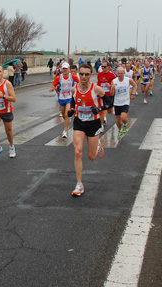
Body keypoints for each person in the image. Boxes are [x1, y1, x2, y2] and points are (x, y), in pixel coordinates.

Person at [68, 63, 112, 196]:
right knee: (78, 152)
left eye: (86, 74)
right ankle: (79, 184)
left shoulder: (96, 89)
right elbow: (74, 101)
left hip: (93, 123)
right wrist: (71, 110)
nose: (83, 76)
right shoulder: (74, 89)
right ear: (78, 74)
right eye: (81, 73)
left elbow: (110, 103)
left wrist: (100, 109)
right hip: (79, 122)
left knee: (91, 157)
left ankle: (97, 146)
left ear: (90, 75)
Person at [49, 62, 80, 138]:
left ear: (68, 69)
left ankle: (65, 131)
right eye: (64, 68)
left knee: (67, 114)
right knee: (63, 114)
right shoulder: (59, 77)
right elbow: (54, 84)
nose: (65, 70)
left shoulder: (72, 77)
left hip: (69, 98)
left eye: (66, 68)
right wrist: (53, 88)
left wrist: (78, 88)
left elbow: (79, 82)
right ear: (62, 69)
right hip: (61, 98)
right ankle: (67, 121)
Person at [110, 66, 138, 138]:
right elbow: (112, 94)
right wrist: (112, 88)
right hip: (117, 102)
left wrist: (133, 93)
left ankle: (125, 124)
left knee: (123, 117)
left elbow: (135, 85)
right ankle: (120, 130)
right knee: (118, 119)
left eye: (121, 73)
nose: (120, 75)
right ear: (116, 73)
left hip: (125, 101)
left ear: (124, 73)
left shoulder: (128, 80)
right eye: (118, 73)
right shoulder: (114, 81)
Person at [96, 60, 116, 132]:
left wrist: (110, 85)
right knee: (102, 108)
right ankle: (101, 125)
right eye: (102, 67)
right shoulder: (99, 74)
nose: (103, 68)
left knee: (109, 110)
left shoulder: (112, 75)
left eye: (105, 67)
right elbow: (98, 83)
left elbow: (115, 84)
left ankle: (110, 110)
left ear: (108, 67)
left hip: (109, 94)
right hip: (102, 94)